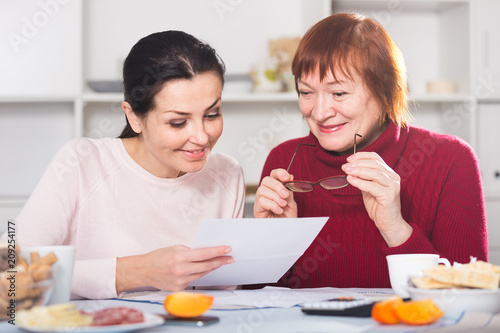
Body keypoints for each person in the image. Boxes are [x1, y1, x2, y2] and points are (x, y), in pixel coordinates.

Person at [1, 31, 245, 299]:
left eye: (212, 114)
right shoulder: (82, 162)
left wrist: (264, 239)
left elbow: (224, 296)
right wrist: (132, 272)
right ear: (134, 117)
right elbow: (9, 270)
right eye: (178, 122)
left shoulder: (227, 174)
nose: (201, 137)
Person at [252, 13, 487, 289]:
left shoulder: (451, 160)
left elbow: (466, 302)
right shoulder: (283, 162)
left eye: (339, 93)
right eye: (306, 93)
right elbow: (257, 308)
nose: (319, 112)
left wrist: (396, 229)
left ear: (385, 91)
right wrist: (269, 245)